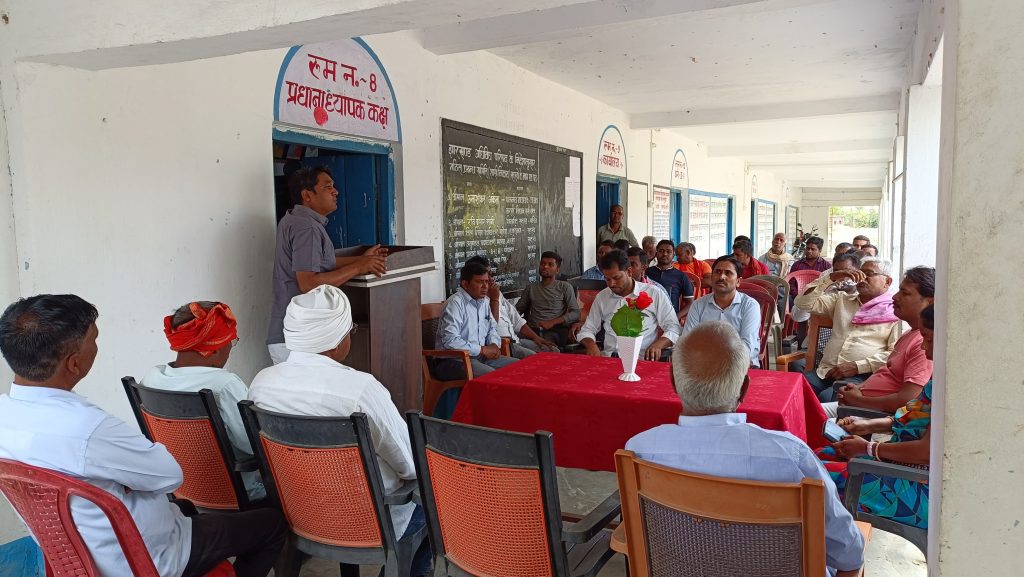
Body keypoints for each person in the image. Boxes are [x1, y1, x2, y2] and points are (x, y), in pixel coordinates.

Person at [0, 295, 286, 577]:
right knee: (272, 525)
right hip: (144, 558)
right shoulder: (89, 428)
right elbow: (169, 476)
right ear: (74, 364)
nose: (97, 347)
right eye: (94, 340)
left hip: (77, 554)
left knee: (186, 507)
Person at [626, 322, 864, 576]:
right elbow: (849, 554)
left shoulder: (640, 450)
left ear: (673, 381)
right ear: (744, 388)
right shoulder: (790, 456)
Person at [248, 286, 431, 576]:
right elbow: (410, 464)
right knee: (437, 507)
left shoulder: (261, 384)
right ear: (335, 341)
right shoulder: (360, 389)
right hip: (369, 522)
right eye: (350, 330)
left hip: (299, 514)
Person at [817, 304, 935, 531]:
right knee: (821, 454)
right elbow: (909, 418)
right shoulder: (935, 382)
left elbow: (925, 452)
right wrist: (866, 425)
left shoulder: (951, 395)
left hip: (914, 488)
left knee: (809, 477)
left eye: (929, 339)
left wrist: (869, 449)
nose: (923, 346)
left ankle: (834, 546)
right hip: (897, 464)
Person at [141, 301, 264, 499]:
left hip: (180, 489)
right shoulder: (224, 385)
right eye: (231, 342)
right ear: (213, 349)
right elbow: (253, 445)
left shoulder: (152, 378)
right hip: (237, 494)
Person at [267, 165, 387, 365]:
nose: (335, 191)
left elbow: (319, 262)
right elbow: (308, 283)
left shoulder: (296, 220)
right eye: (327, 187)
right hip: (299, 340)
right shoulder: (306, 227)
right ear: (307, 195)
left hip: (294, 337)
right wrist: (358, 268)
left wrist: (361, 260)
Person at [823, 266, 935, 418]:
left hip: (871, 415)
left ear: (929, 301)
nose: (895, 297)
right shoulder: (909, 334)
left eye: (905, 293)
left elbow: (908, 401)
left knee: (803, 414)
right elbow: (887, 374)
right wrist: (856, 389)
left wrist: (859, 400)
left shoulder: (924, 345)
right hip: (859, 403)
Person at [792, 258, 901, 398]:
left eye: (869, 274)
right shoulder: (842, 300)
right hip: (826, 372)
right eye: (861, 273)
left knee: (826, 397)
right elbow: (802, 303)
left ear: (887, 282)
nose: (862, 278)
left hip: (863, 377)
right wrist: (830, 278)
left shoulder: (895, 312)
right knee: (794, 391)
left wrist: (857, 366)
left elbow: (895, 354)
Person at [577, 250, 680, 360]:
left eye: (617, 278)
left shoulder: (654, 293)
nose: (611, 284)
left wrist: (658, 345)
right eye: (607, 279)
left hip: (642, 360)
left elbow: (673, 328)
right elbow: (588, 329)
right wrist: (591, 345)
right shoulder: (603, 296)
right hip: (610, 359)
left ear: (629, 272)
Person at [465, 256, 558, 357]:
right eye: (484, 277)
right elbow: (490, 327)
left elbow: (516, 319)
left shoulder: (496, 293)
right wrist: (494, 299)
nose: (490, 279)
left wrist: (536, 338)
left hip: (516, 340)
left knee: (553, 351)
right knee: (535, 358)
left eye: (491, 274)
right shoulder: (474, 300)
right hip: (502, 345)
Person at [436, 261, 518, 376]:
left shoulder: (483, 302)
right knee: (490, 375)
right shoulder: (455, 303)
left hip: (480, 356)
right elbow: (450, 340)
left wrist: (494, 344)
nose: (485, 287)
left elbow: (492, 328)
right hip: (453, 359)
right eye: (479, 282)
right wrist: (481, 349)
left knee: (518, 367)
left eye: (486, 282)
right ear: (465, 284)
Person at [682, 256, 761, 367]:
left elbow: (747, 345)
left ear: (738, 281)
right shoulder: (698, 305)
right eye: (718, 272)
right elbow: (687, 340)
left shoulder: (749, 306)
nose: (722, 277)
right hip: (703, 366)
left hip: (739, 366)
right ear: (711, 277)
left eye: (728, 273)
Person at [516, 251, 581, 348]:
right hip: (533, 330)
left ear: (557, 270)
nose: (545, 267)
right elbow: (517, 310)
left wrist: (553, 322)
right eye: (542, 264)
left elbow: (576, 313)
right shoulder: (531, 288)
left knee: (546, 347)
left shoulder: (564, 287)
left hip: (554, 330)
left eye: (550, 264)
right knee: (513, 343)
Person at [646, 239, 695, 318]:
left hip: (670, 317)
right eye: (661, 251)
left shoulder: (681, 276)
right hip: (648, 316)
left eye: (668, 251)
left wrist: (675, 317)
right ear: (656, 254)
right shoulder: (647, 273)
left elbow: (690, 303)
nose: (665, 254)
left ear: (673, 255)